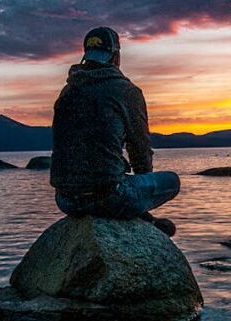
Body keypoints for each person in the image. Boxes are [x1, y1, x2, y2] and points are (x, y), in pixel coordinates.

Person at [50, 26, 179, 236]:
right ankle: (139, 215)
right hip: (110, 197)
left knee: (115, 176)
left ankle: (136, 212)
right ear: (116, 56)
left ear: (86, 55)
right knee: (172, 181)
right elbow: (140, 149)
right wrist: (141, 194)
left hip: (65, 200)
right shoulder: (126, 91)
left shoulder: (67, 92)